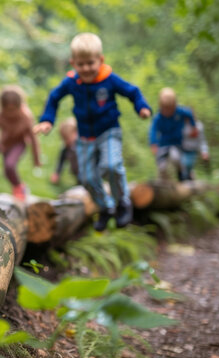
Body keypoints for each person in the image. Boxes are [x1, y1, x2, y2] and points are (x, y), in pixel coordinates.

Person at [33, 32, 152, 231]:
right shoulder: (72, 82)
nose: (86, 68)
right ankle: (106, 207)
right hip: (85, 137)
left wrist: (141, 107)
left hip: (109, 131)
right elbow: (54, 97)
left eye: (90, 63)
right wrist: (47, 120)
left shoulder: (109, 79)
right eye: (81, 64)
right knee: (87, 178)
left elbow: (132, 91)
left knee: (112, 166)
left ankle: (122, 201)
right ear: (73, 63)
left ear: (100, 60)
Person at [0, 85, 41, 200]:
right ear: (2, 107)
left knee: (10, 165)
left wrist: (36, 158)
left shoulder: (26, 117)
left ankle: (20, 188)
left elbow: (33, 139)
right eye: (7, 110)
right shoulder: (0, 116)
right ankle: (17, 187)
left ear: (19, 106)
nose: (11, 114)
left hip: (19, 143)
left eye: (13, 110)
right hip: (5, 144)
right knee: (6, 171)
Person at [149, 87, 197, 181]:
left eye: (170, 109)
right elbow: (153, 130)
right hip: (163, 144)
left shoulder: (180, 112)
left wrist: (193, 126)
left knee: (176, 158)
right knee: (162, 166)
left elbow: (190, 114)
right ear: (161, 106)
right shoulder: (158, 118)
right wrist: (153, 143)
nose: (167, 112)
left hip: (177, 143)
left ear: (174, 106)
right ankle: (162, 181)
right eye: (165, 109)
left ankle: (184, 176)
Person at [50, 117, 80, 185]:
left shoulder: (83, 145)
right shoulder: (67, 147)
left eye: (67, 138)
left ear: (76, 133)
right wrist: (57, 173)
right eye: (64, 139)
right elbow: (61, 160)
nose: (66, 141)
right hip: (77, 172)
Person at [181, 112, 209, 181]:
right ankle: (185, 180)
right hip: (182, 149)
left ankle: (190, 179)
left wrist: (204, 152)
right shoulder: (181, 125)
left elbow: (202, 141)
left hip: (193, 150)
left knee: (188, 165)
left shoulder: (199, 126)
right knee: (183, 166)